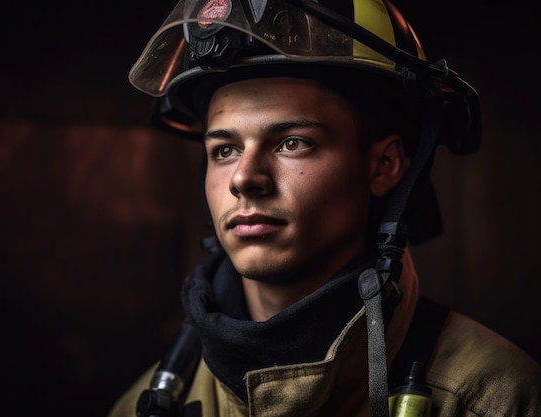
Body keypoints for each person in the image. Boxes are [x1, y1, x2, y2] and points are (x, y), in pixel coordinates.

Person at [108, 1, 541, 416]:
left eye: (293, 142)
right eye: (224, 149)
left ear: (384, 166)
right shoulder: (147, 403)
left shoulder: (496, 398)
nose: (244, 178)